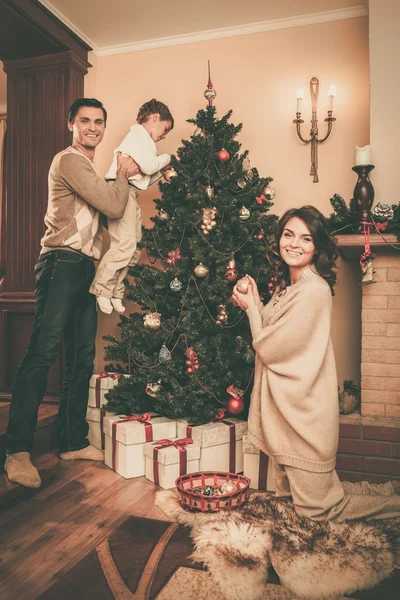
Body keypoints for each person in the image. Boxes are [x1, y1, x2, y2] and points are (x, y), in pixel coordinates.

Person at [233, 205, 400, 521]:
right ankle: (389, 490)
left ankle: (393, 505)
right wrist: (253, 300)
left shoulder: (314, 291)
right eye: (288, 235)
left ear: (317, 247)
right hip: (288, 417)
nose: (294, 244)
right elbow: (271, 327)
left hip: (304, 419)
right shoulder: (291, 288)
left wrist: (252, 311)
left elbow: (269, 347)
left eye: (305, 239)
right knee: (293, 501)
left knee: (321, 511)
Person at [5, 98, 139, 489]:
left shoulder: (90, 171)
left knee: (82, 355)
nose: (93, 127)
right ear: (71, 124)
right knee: (43, 351)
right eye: (85, 121)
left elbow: (103, 219)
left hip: (83, 268)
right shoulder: (70, 161)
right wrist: (125, 174)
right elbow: (114, 205)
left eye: (99, 121)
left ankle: (71, 441)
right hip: (60, 264)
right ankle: (16, 451)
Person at [89, 98, 174, 315]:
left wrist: (161, 171)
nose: (164, 135)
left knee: (134, 246)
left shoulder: (145, 143)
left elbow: (143, 176)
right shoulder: (139, 136)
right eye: (165, 129)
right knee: (123, 244)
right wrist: (167, 158)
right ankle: (102, 290)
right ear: (155, 117)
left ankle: (116, 291)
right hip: (120, 191)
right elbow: (147, 165)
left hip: (132, 194)